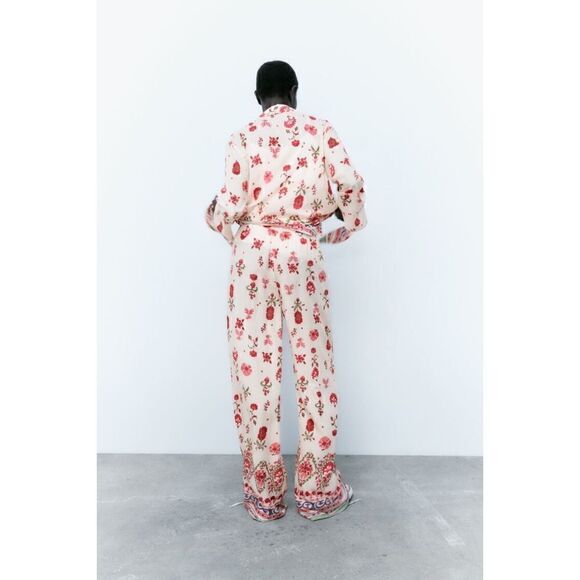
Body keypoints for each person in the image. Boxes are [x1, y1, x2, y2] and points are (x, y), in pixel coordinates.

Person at [205, 60, 367, 521]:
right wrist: (349, 222)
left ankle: (265, 497)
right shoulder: (319, 130)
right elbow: (349, 182)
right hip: (301, 251)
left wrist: (221, 222)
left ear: (258, 98)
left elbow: (229, 205)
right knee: (314, 364)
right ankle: (318, 493)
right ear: (294, 91)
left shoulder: (242, 137)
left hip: (253, 255)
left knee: (254, 368)